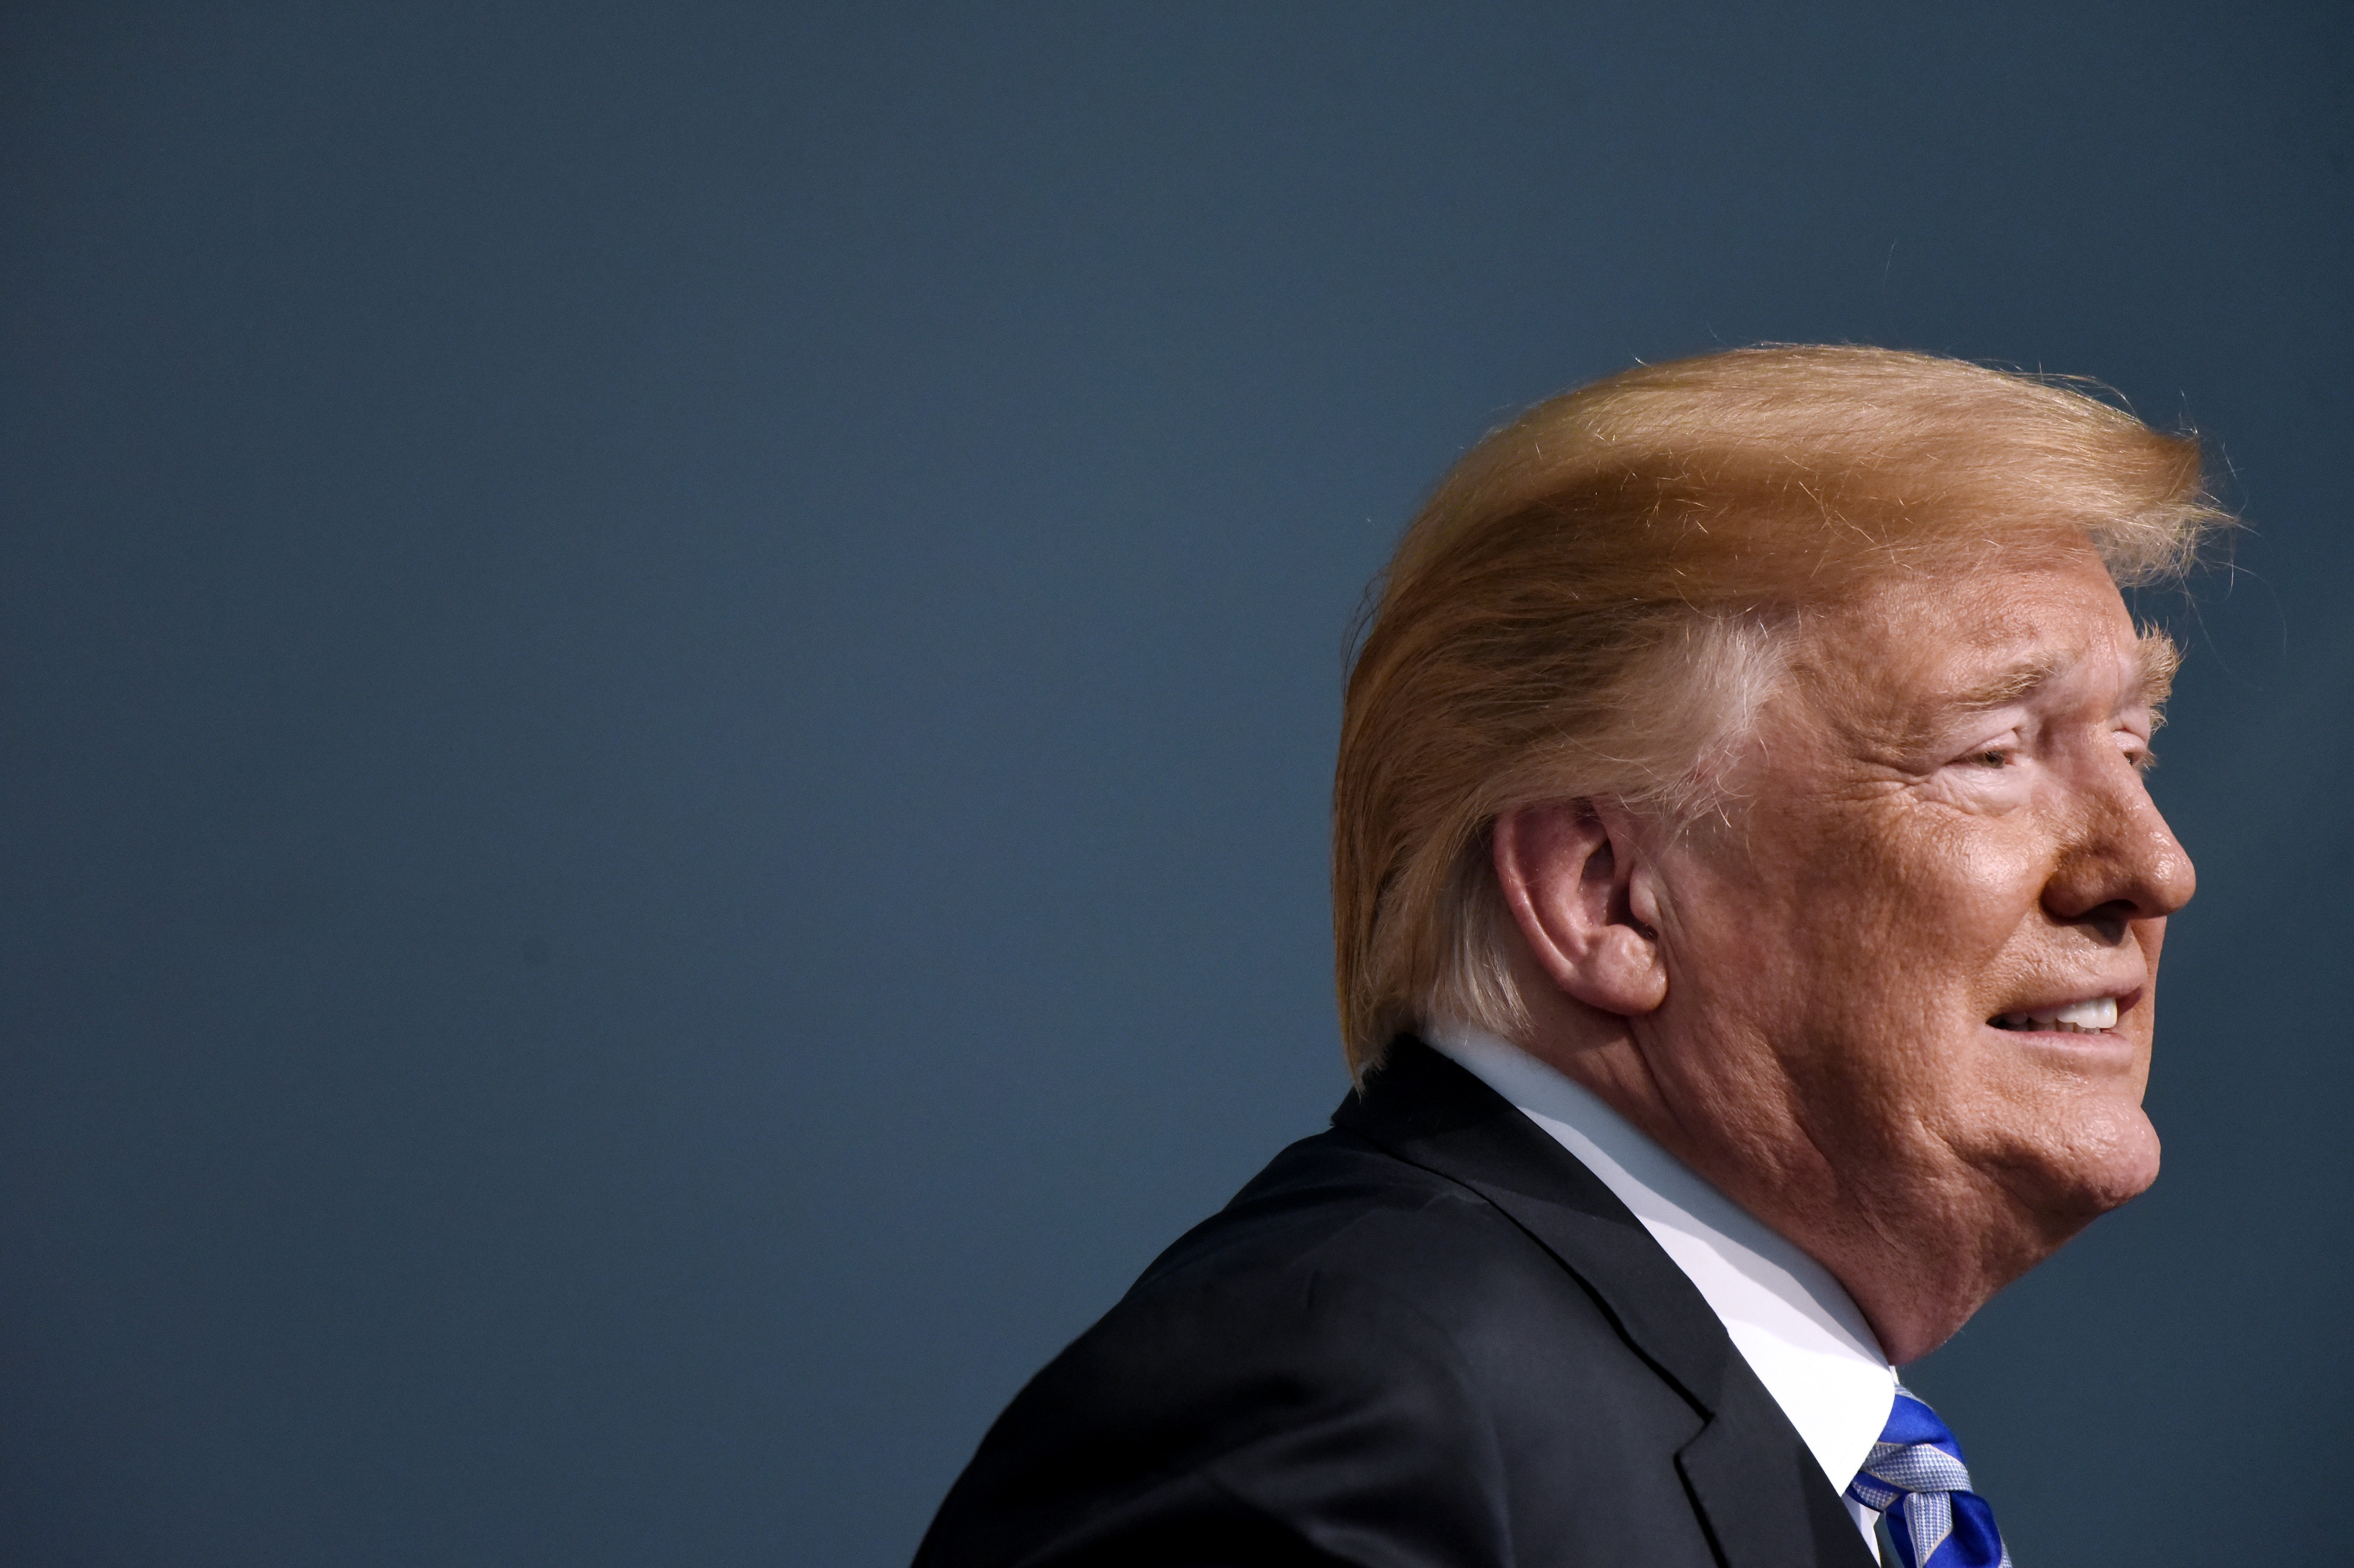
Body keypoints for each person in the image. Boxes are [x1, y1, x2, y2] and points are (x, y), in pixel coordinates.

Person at [913, 345, 2225, 1567]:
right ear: (1604, 893)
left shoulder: (1746, 1447)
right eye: (1992, 752)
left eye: (2135, 744)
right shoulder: (1343, 1413)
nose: (2154, 866)